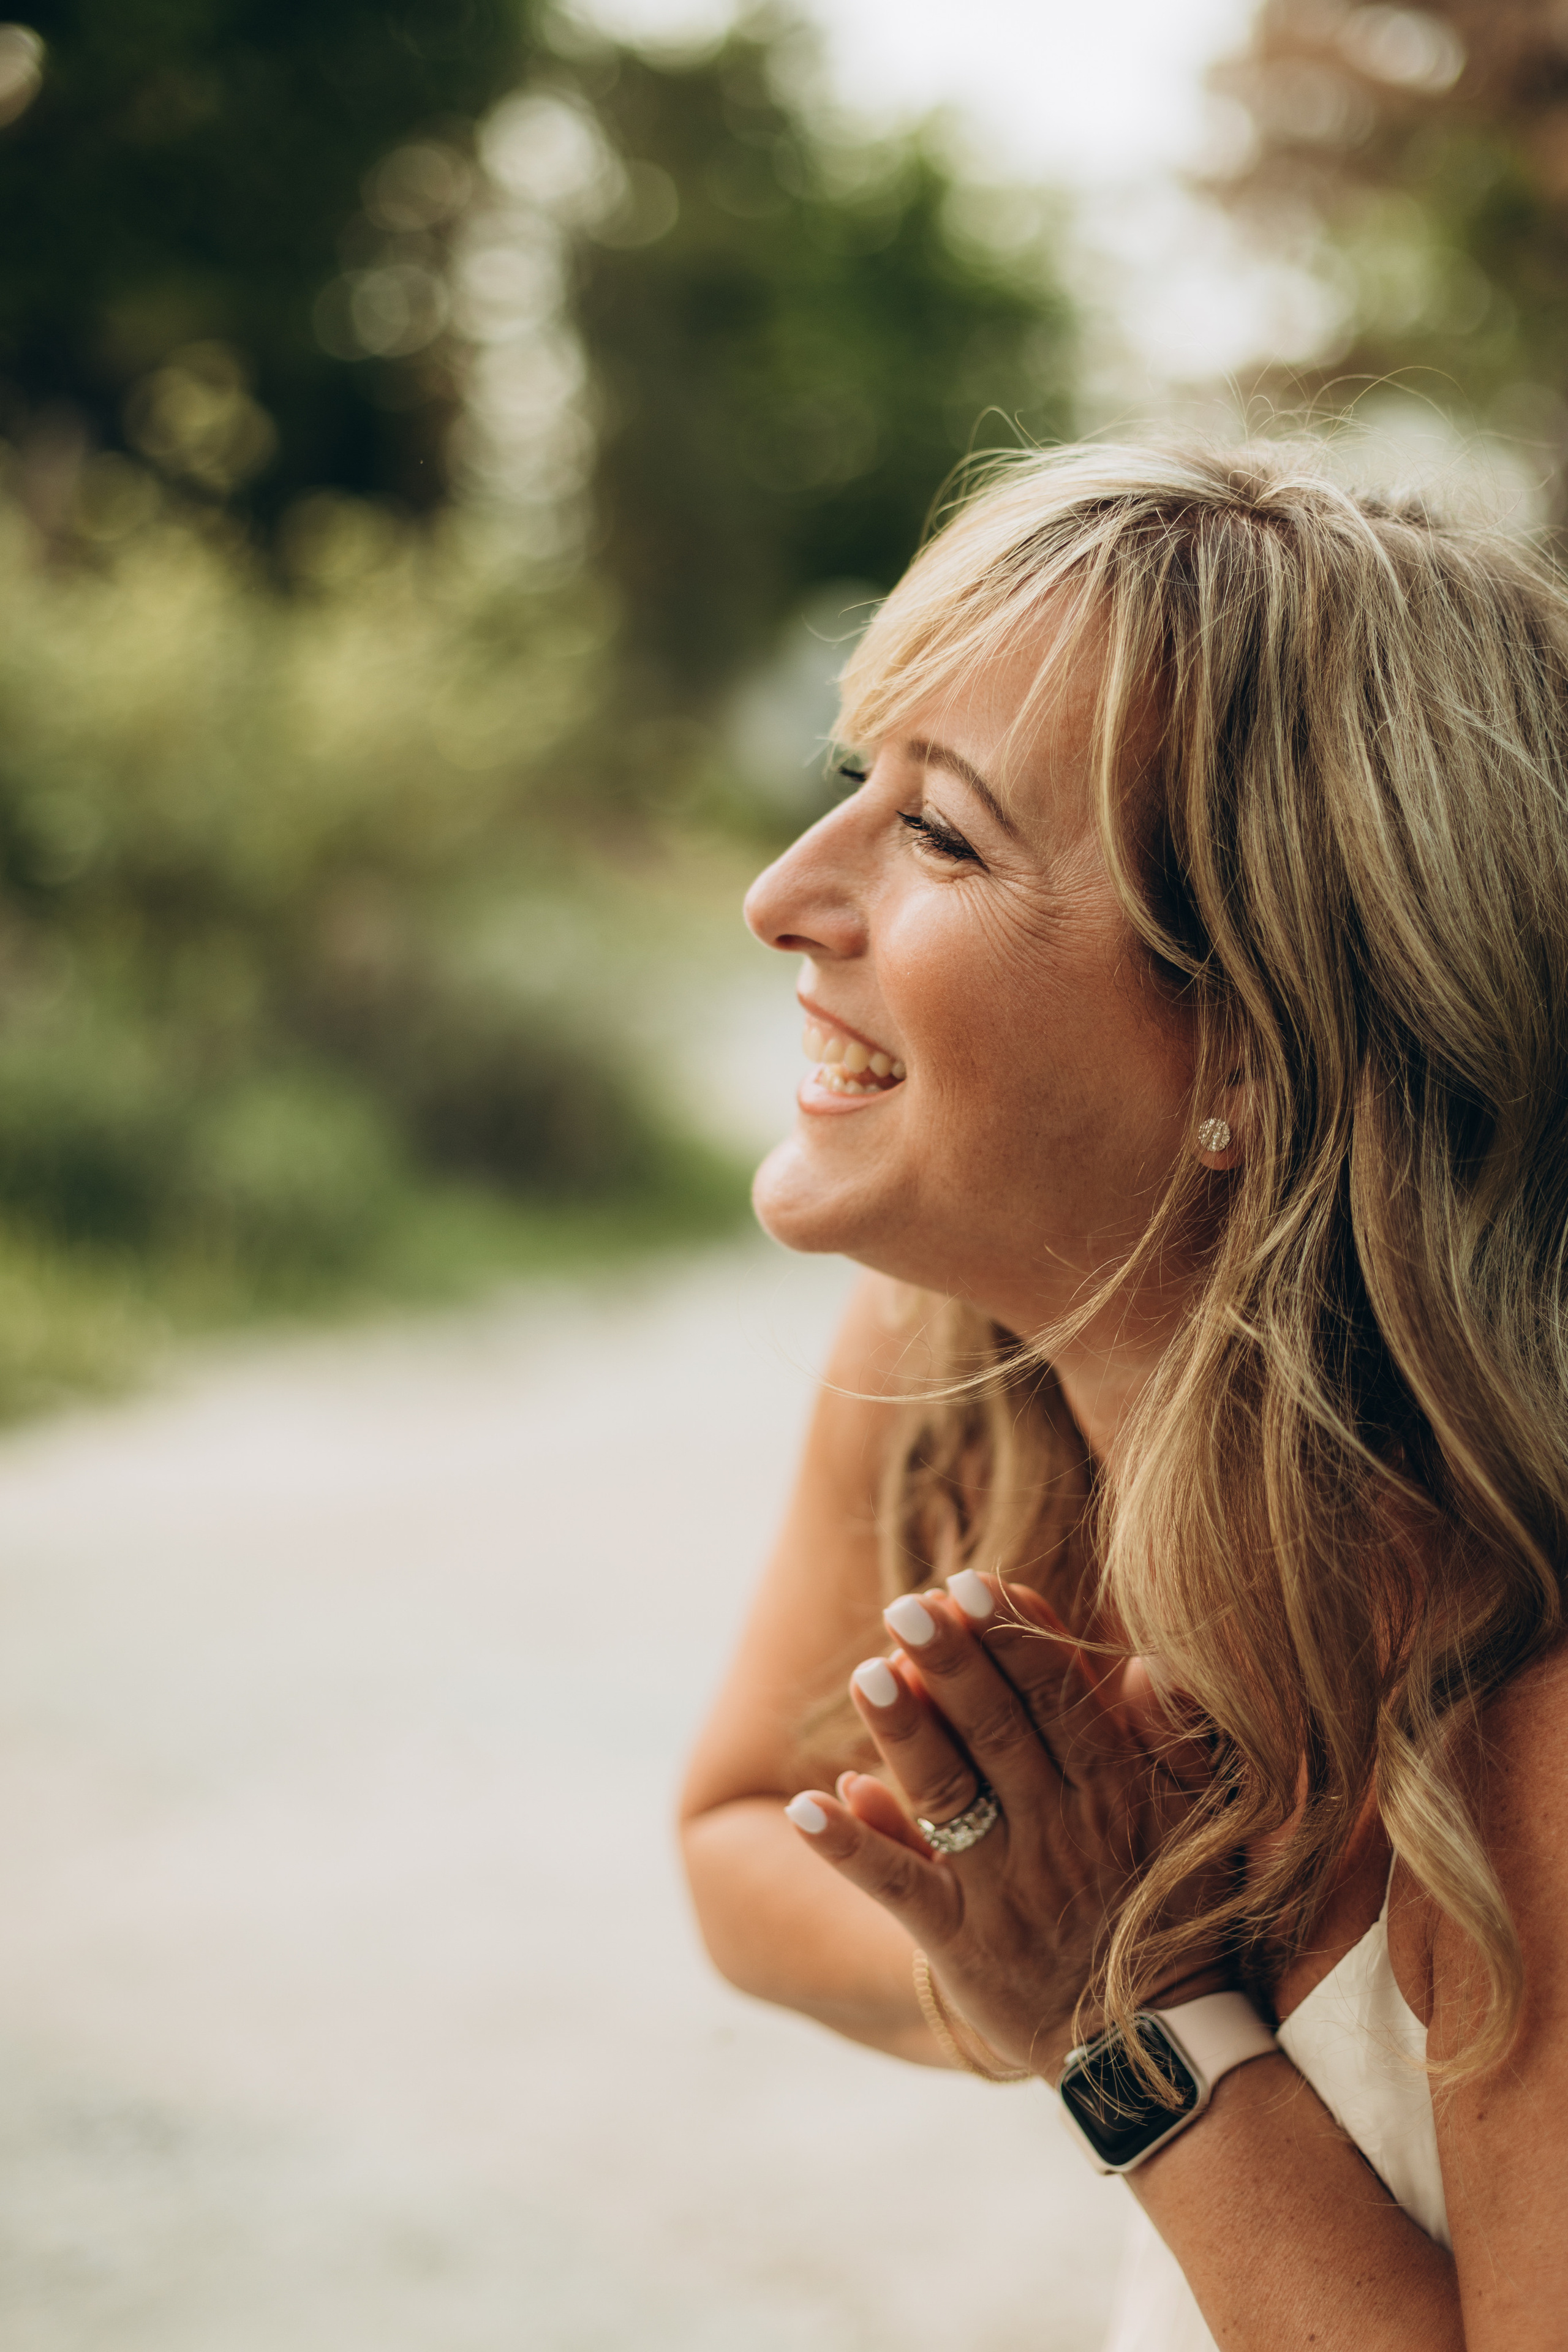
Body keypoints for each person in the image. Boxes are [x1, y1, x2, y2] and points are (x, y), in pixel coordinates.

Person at [677, 443, 1568, 2348]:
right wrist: (1019, 1968)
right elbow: (739, 1832)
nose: (778, 896)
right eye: (862, 786)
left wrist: (1128, 2018)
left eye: (942, 834)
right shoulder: (941, 1354)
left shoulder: (1526, 1720)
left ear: (1249, 1046)